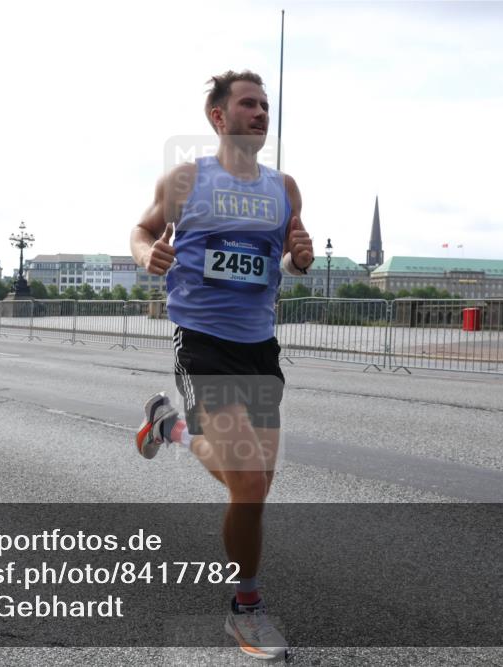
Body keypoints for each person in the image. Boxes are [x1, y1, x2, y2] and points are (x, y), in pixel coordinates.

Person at [130, 70, 313, 661]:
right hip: (202, 339)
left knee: (256, 486)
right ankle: (246, 609)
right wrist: (147, 253)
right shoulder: (186, 180)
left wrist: (298, 253)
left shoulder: (284, 186)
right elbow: (141, 228)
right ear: (218, 116)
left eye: (265, 105)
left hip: (259, 346)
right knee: (251, 482)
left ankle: (171, 429)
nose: (261, 112)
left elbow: (288, 248)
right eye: (248, 104)